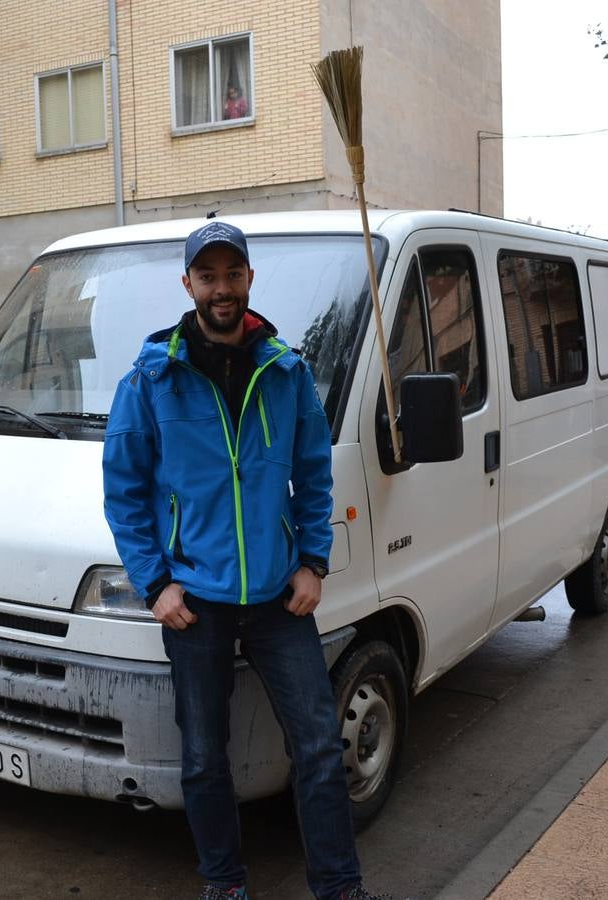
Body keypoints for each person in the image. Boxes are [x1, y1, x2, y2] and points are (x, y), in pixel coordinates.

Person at [102, 221, 386, 900]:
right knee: (203, 759)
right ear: (189, 285)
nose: (221, 288)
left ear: (249, 280)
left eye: (233, 274)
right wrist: (156, 584)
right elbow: (124, 490)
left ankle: (339, 888)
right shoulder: (152, 378)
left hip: (275, 599)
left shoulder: (285, 371)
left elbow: (315, 475)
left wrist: (312, 561)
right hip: (193, 602)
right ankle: (225, 886)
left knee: (320, 747)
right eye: (209, 276)